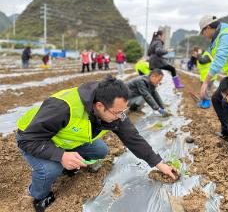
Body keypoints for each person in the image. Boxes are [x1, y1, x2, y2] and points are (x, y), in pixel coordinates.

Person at [16, 76, 177, 212]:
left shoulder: (113, 110)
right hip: (35, 138)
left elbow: (133, 138)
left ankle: (66, 165)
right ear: (100, 106)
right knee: (51, 169)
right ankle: (38, 194)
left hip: (64, 140)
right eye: (117, 113)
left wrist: (159, 164)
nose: (121, 116)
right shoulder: (63, 107)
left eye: (123, 111)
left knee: (101, 150)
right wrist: (60, 155)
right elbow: (27, 139)